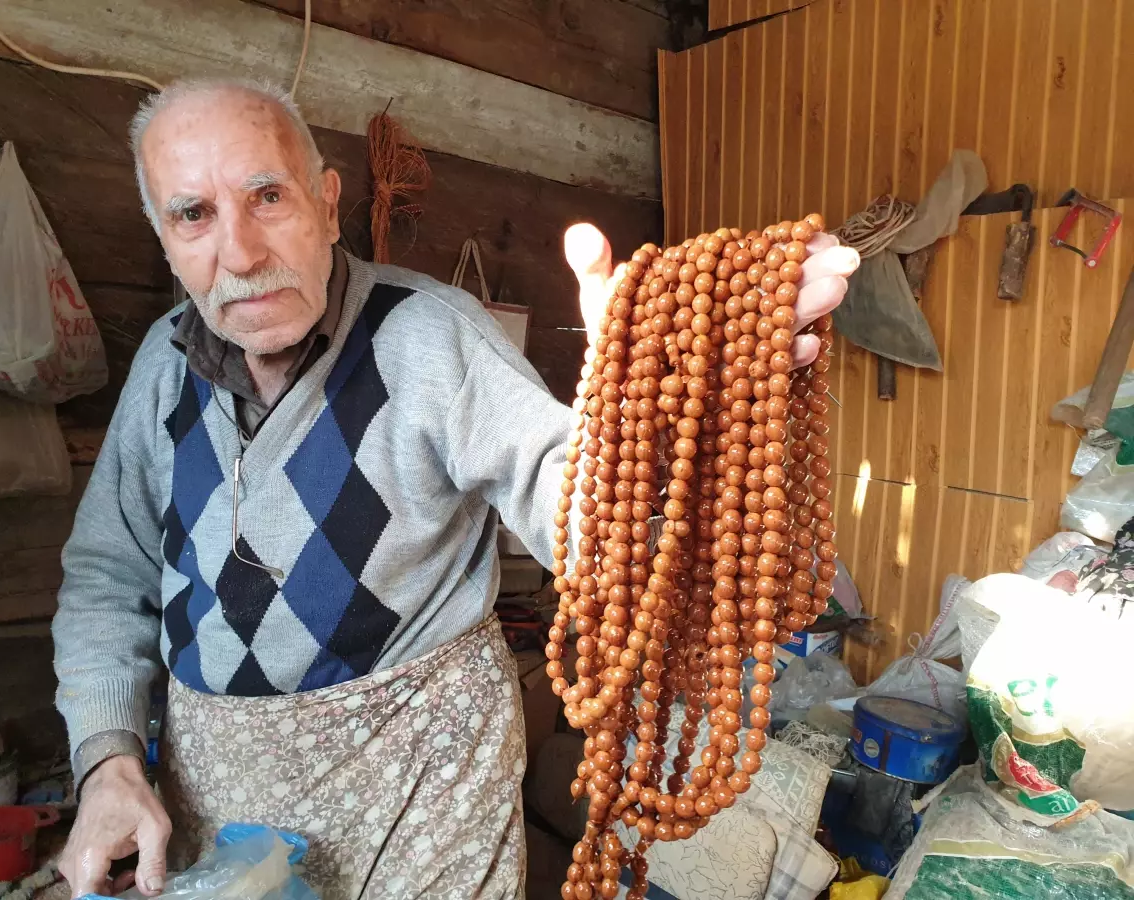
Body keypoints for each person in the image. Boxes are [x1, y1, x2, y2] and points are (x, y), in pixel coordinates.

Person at [51, 77, 858, 899]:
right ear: (163, 236)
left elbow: (575, 510)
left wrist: (646, 405)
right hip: (215, 803)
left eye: (267, 196)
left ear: (328, 206)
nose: (241, 253)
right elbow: (106, 577)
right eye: (194, 215)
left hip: (422, 801)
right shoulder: (164, 361)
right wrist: (107, 759)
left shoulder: (429, 336)